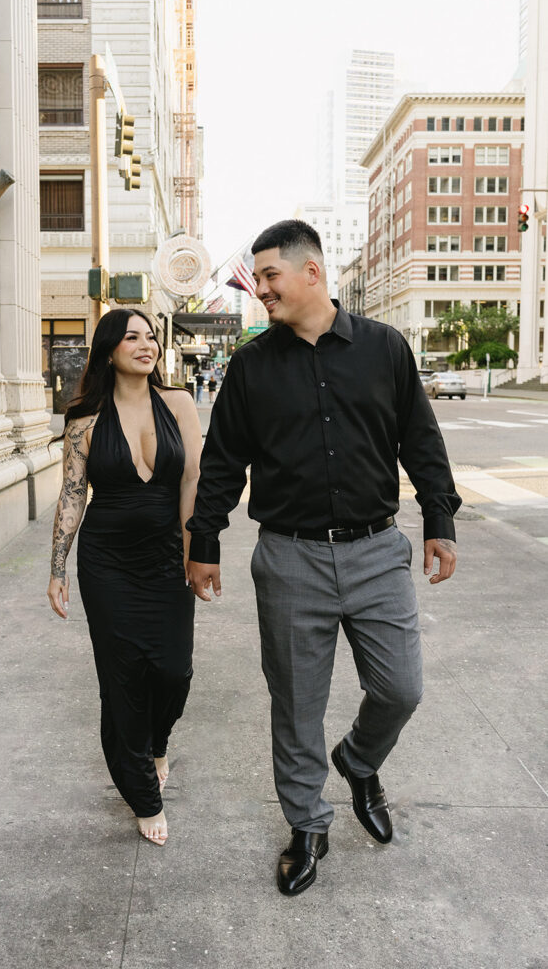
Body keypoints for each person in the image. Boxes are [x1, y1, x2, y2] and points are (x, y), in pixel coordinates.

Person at [186, 220, 460, 895]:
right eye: (257, 278)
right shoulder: (251, 365)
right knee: (296, 706)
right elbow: (222, 462)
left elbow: (418, 439)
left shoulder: (383, 349)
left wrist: (438, 519)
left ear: (311, 273)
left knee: (400, 688)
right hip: (289, 559)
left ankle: (359, 759)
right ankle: (307, 825)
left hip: (374, 552)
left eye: (269, 275)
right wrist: (204, 540)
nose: (260, 289)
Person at [47, 309, 203, 847]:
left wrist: (195, 555)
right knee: (122, 681)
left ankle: (156, 744)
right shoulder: (85, 420)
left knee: (173, 671)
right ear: (109, 349)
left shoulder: (179, 404)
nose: (146, 344)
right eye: (132, 337)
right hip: (106, 563)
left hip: (164, 560)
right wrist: (57, 568)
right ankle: (143, 793)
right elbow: (72, 495)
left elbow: (191, 484)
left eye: (151, 336)